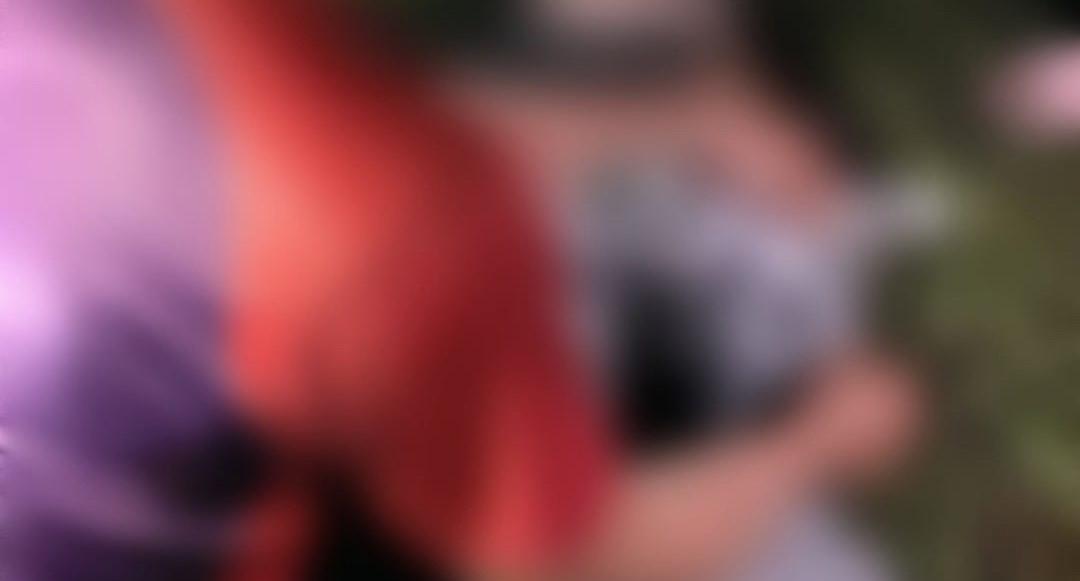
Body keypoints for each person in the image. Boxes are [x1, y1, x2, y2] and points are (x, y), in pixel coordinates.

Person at [2, 1, 922, 579]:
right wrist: (818, 436)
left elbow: (335, 131)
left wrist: (681, 115)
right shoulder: (389, 242)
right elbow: (565, 560)